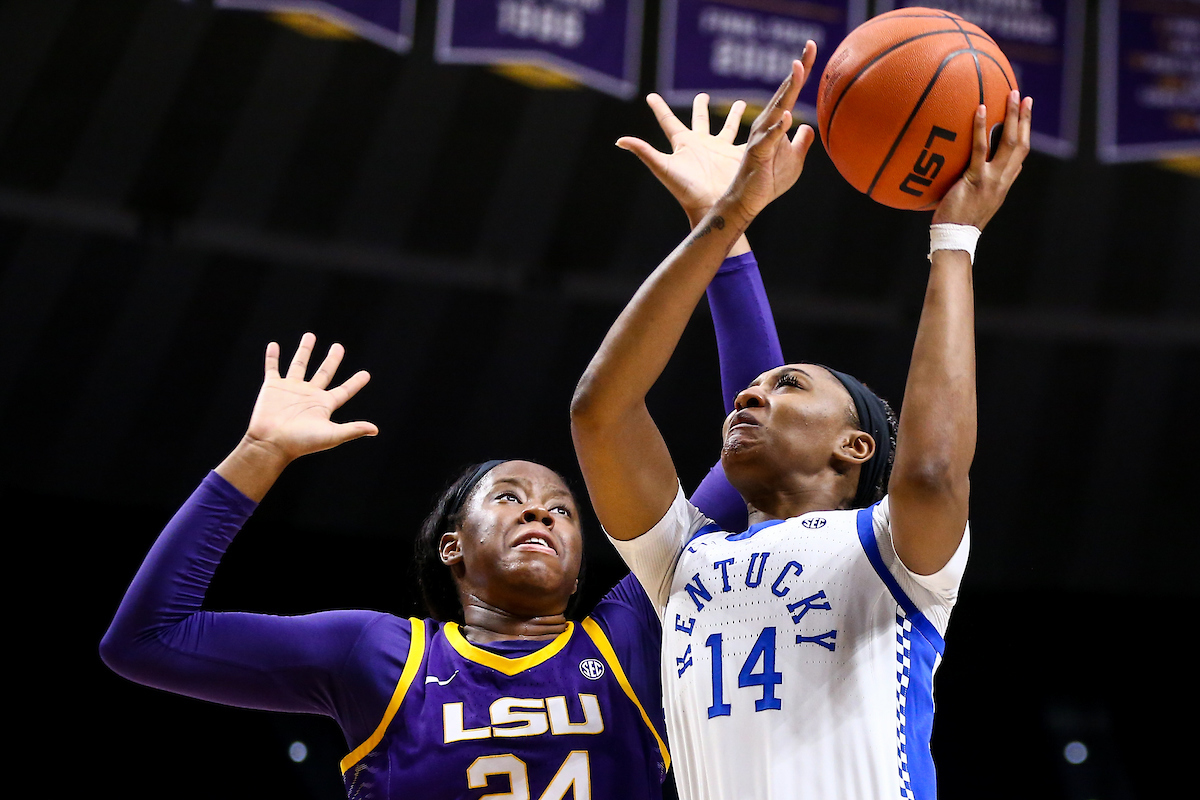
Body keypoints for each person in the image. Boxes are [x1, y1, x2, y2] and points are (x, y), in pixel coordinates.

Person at [100, 104, 791, 798]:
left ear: (582, 566)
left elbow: (760, 460)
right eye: (510, 499)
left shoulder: (630, 637)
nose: (542, 515)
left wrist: (725, 228)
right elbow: (145, 639)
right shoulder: (377, 657)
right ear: (452, 546)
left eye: (562, 510)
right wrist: (258, 453)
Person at [570, 43, 1033, 800]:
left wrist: (955, 241)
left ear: (854, 446)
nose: (748, 397)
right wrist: (724, 217)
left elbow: (930, 468)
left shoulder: (890, 551)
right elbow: (599, 411)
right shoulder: (680, 557)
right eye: (751, 390)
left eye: (786, 385)